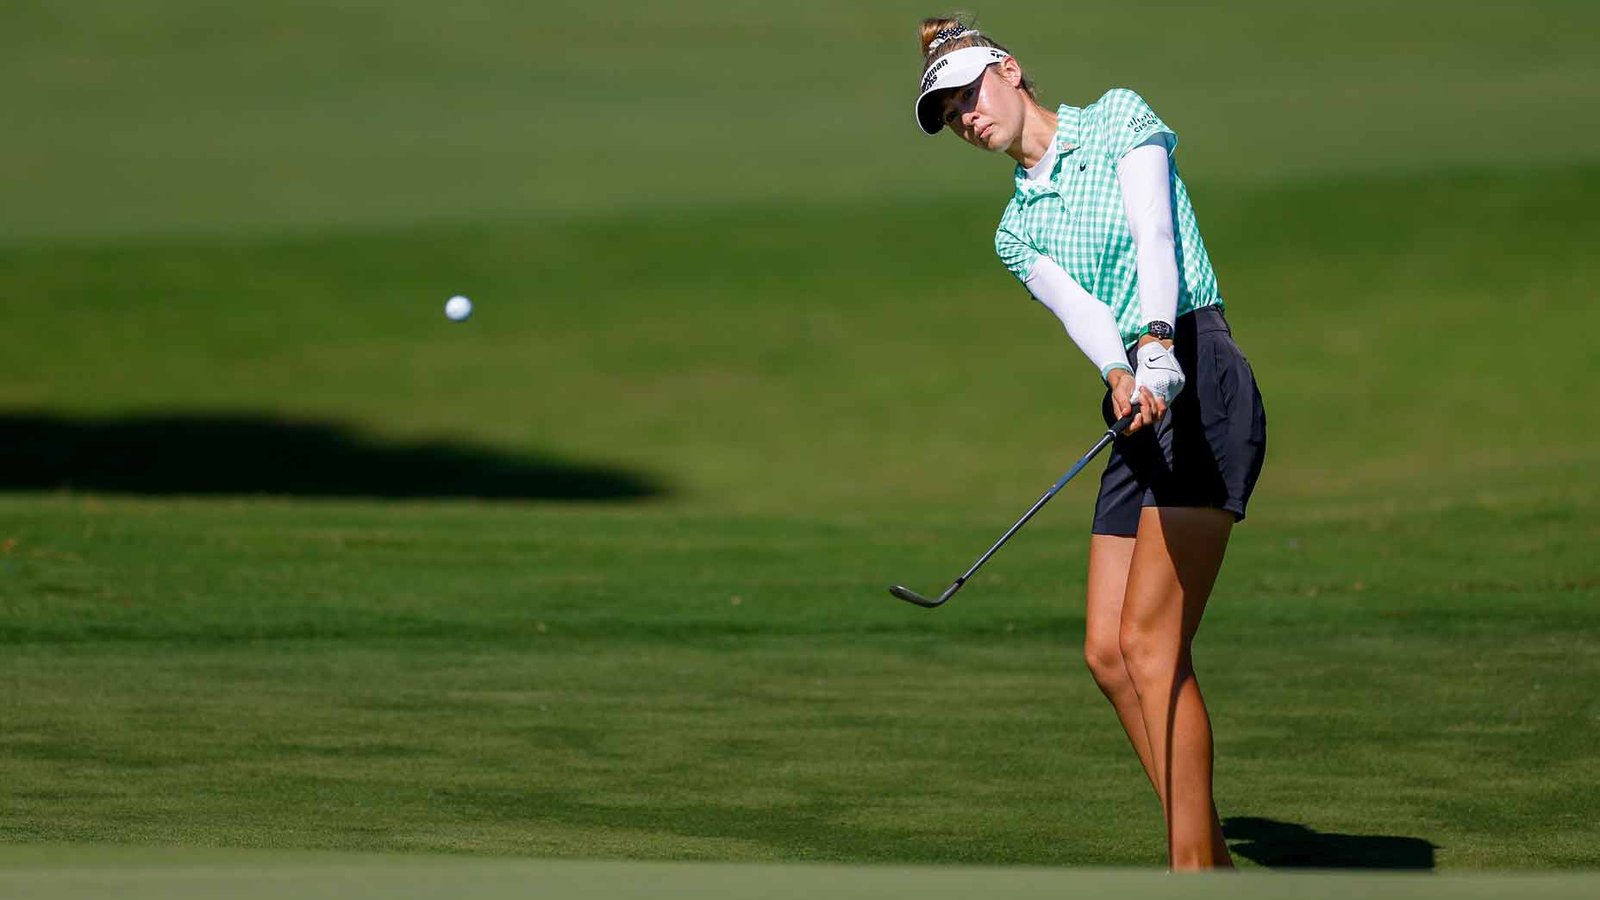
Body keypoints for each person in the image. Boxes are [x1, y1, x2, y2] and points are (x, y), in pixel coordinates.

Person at [911, 16, 1267, 871]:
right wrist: (1117, 370)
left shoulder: (1117, 119)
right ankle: (1211, 859)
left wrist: (1157, 343)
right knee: (1108, 653)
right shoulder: (1015, 228)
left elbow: (1154, 233)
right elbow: (1082, 310)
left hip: (1197, 367)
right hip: (1137, 398)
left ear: (1009, 70)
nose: (966, 117)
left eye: (968, 94)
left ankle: (1192, 871)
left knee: (1152, 645)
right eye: (949, 114)